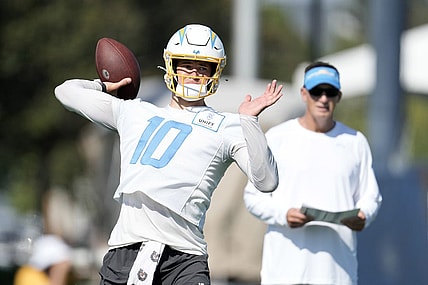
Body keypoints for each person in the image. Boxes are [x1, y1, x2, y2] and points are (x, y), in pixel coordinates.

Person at [54, 24, 283, 285]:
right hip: (126, 250)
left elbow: (267, 182)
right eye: (187, 65)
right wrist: (104, 86)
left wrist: (250, 121)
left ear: (215, 72)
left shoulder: (228, 125)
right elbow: (65, 92)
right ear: (171, 65)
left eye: (203, 67)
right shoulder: (135, 112)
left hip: (184, 258)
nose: (195, 73)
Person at [243, 61, 382, 285]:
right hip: (284, 272)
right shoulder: (278, 137)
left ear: (338, 96)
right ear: (304, 94)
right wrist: (284, 214)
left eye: (330, 92)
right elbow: (253, 197)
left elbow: (371, 197)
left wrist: (363, 215)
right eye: (317, 92)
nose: (324, 99)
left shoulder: (355, 141)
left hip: (337, 273)